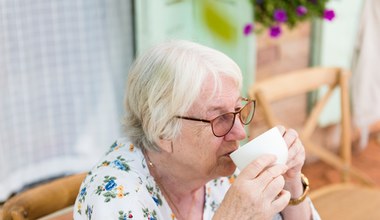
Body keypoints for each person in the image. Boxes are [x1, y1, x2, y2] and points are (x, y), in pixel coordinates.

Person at [73, 40, 320, 219]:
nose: (240, 133)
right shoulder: (116, 198)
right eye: (220, 118)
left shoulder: (220, 171)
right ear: (163, 132)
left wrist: (291, 185)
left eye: (237, 110)